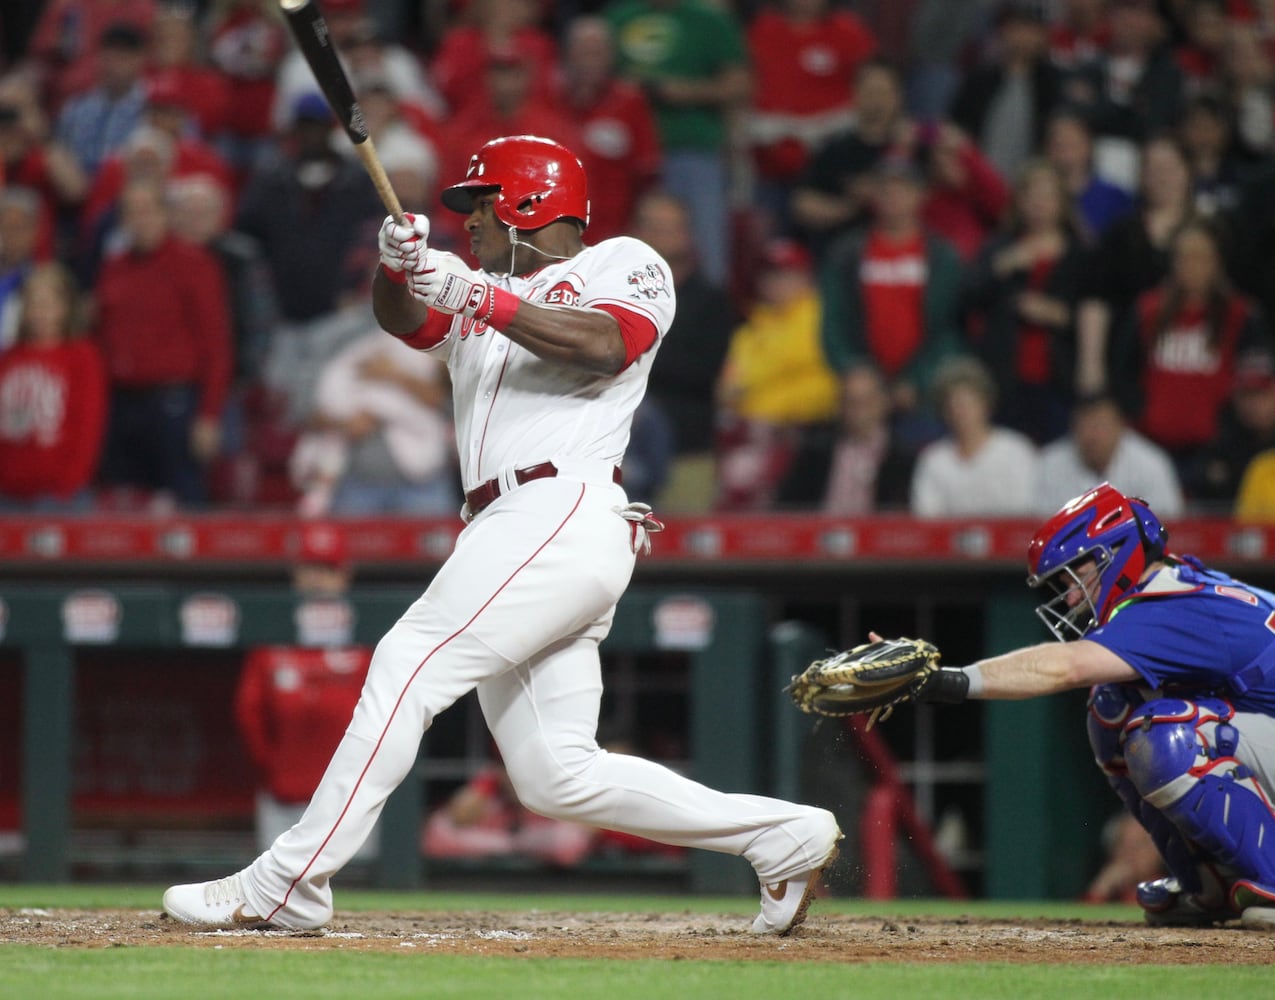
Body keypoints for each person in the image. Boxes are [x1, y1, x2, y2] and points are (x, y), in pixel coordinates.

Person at [161, 134, 841, 936]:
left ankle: (289, 879)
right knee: (557, 776)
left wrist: (473, 295)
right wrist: (399, 267)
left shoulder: (622, 261)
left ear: (526, 203)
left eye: (478, 204)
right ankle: (781, 835)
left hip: (557, 508)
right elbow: (406, 323)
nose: (468, 223)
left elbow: (605, 344)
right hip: (512, 525)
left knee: (405, 662)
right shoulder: (482, 291)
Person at [883, 481, 1275, 928]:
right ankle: (1211, 886)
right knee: (1112, 707)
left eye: (1077, 575)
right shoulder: (1169, 589)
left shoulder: (1170, 605)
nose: (1070, 596)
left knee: (1167, 733)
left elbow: (1064, 667)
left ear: (1118, 554)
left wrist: (945, 681)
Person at [234, 522, 375, 856]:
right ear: (295, 573)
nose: (317, 579)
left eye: (327, 569)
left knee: (362, 893)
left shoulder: (368, 639)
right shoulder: (272, 639)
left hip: (351, 802)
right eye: (310, 568)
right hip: (283, 799)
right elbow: (248, 715)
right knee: (273, 897)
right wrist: (277, 771)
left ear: (345, 575)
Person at [92, 178, 233, 508]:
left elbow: (216, 346)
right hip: (121, 400)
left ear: (164, 214)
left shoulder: (195, 264)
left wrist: (209, 415)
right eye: (131, 212)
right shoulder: (114, 266)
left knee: (183, 498)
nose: (139, 219)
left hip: (174, 402)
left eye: (147, 210)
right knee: (122, 499)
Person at [714, 238, 840, 511]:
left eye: (787, 275)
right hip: (752, 432)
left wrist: (769, 404)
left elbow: (828, 384)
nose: (778, 283)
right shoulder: (750, 329)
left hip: (804, 432)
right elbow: (728, 388)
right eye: (770, 275)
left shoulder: (825, 319)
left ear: (807, 278)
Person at [0, 262, 106, 511]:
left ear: (66, 308)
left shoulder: (82, 357)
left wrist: (69, 481)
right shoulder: (9, 358)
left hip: (60, 494)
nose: (40, 312)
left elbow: (88, 425)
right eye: (33, 304)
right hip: (9, 490)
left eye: (49, 304)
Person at [774, 361, 917, 513]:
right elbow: (786, 508)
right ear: (840, 405)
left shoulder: (902, 457)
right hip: (821, 533)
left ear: (884, 403)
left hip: (877, 535)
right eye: (850, 402)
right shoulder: (815, 452)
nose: (858, 411)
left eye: (866, 402)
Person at [909, 355, 1038, 517]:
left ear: (985, 404)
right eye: (953, 405)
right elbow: (926, 518)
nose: (960, 412)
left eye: (967, 403)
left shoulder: (1016, 451)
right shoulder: (933, 459)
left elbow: (1026, 511)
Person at [1033, 390, 1185, 516]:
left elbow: (1168, 524)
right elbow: (1036, 524)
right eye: (1084, 426)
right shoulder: (1049, 463)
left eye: (1100, 426)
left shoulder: (1151, 464)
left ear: (1120, 426)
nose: (1091, 436)